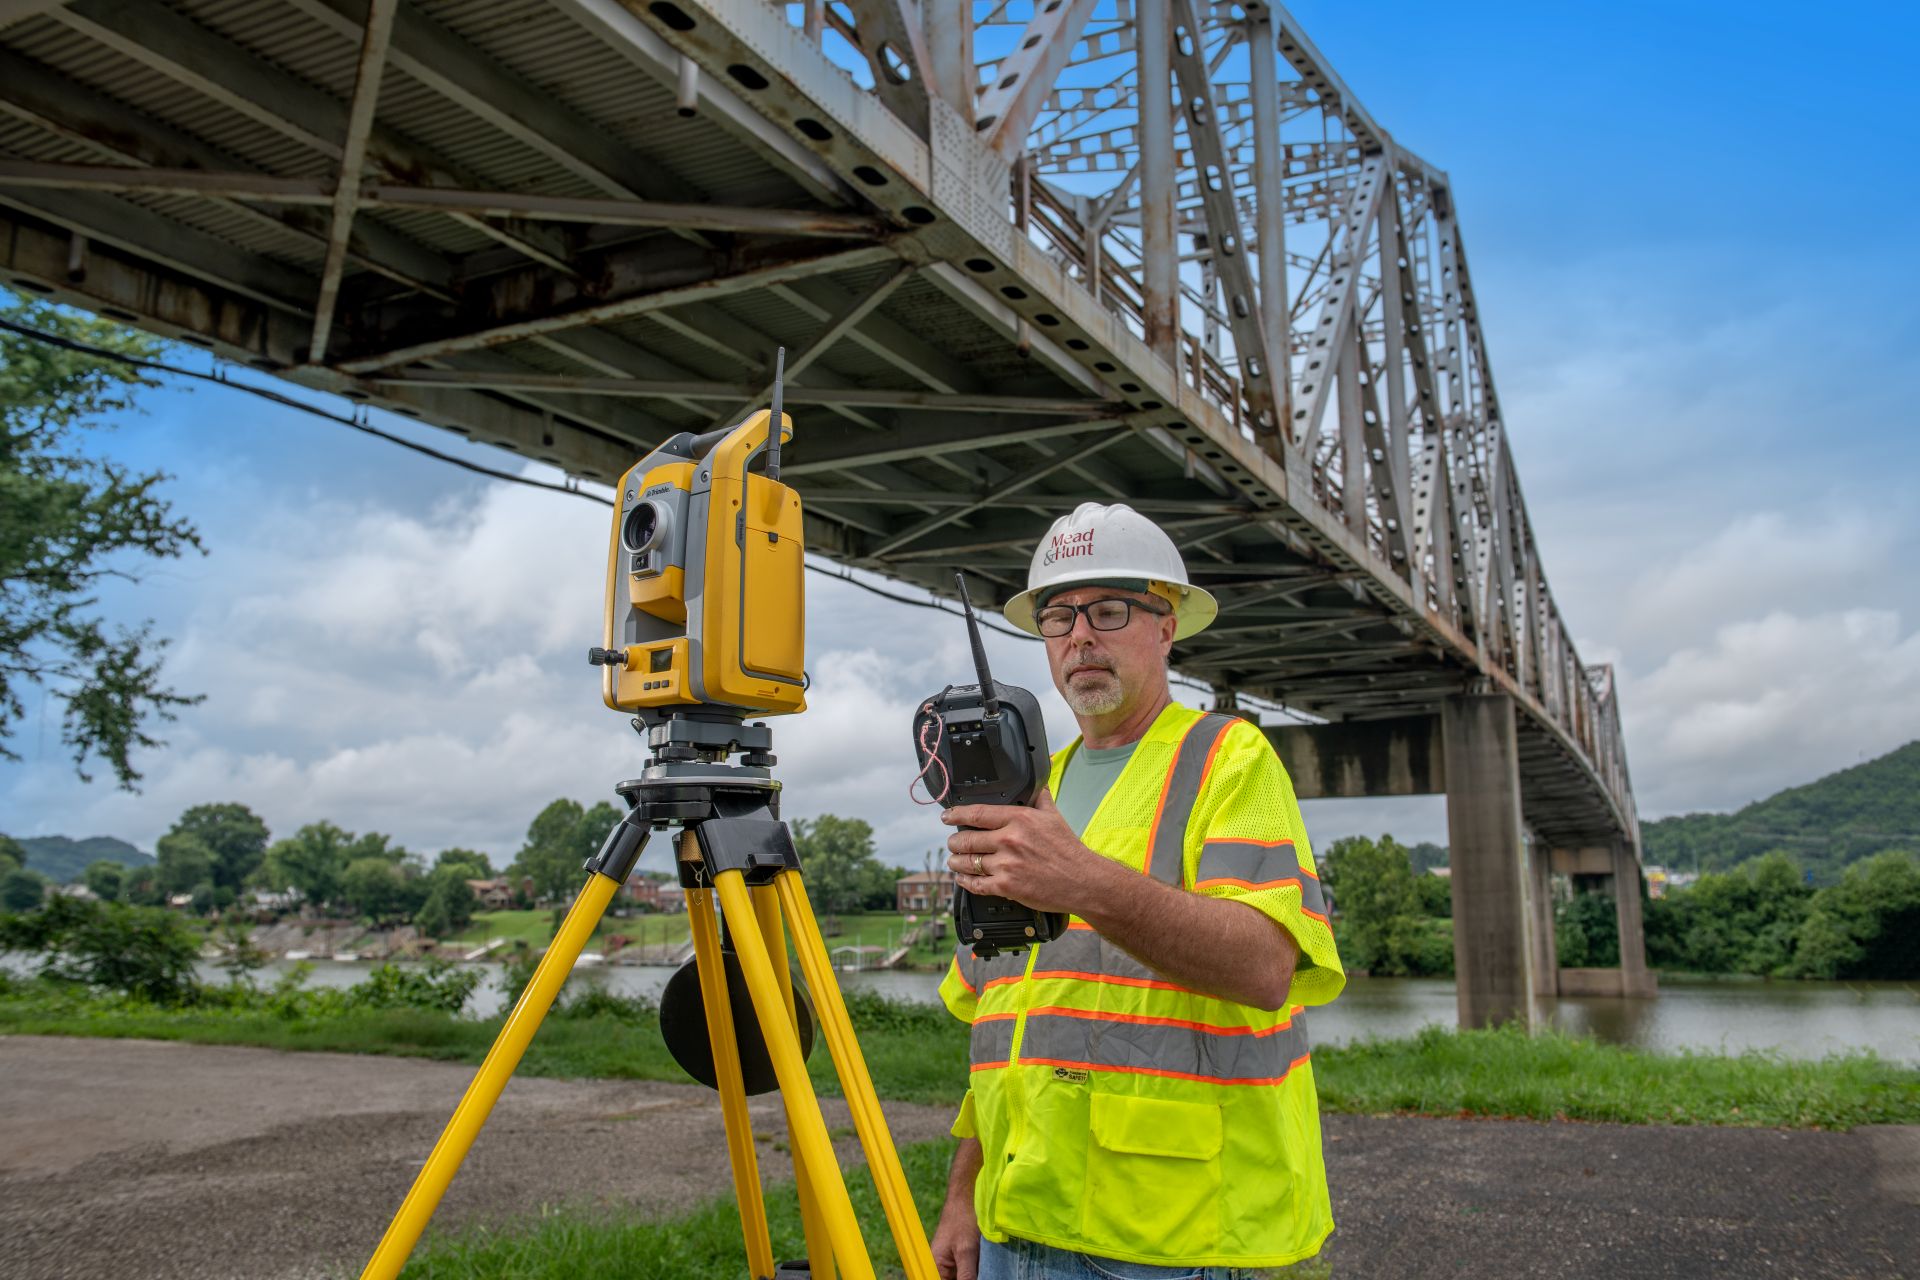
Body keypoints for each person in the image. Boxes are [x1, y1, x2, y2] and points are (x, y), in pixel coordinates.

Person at [931, 502, 1345, 1280]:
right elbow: (1005, 1030)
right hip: (1015, 1221)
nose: (1080, 635)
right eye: (1058, 617)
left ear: (1168, 625)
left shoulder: (1228, 759)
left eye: (1110, 610)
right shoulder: (1029, 789)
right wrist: (964, 1195)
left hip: (1167, 1237)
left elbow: (1263, 968)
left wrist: (1079, 879)